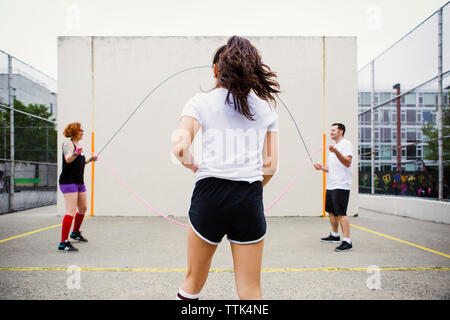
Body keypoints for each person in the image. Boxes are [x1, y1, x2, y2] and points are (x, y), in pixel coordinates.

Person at [172, 36, 280, 300]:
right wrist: (249, 186)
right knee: (251, 289)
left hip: (209, 195)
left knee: (193, 281)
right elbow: (271, 167)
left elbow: (179, 148)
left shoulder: (199, 101)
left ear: (216, 70)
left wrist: (194, 166)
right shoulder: (265, 108)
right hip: (249, 198)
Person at [314, 123, 354, 252]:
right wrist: (322, 168)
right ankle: (335, 235)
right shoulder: (335, 147)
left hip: (341, 184)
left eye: (333, 130)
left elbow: (347, 163)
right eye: (330, 130)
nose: (331, 132)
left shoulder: (346, 144)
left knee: (341, 213)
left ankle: (347, 241)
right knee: (331, 211)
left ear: (340, 132)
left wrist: (336, 151)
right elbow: (333, 169)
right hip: (332, 184)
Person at [58, 122, 97, 252]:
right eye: (80, 130)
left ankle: (75, 233)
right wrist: (76, 153)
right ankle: (63, 243)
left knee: (83, 208)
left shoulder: (78, 146)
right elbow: (68, 159)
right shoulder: (68, 144)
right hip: (68, 181)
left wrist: (90, 160)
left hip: (79, 182)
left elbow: (78, 163)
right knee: (71, 210)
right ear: (74, 131)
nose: (82, 132)